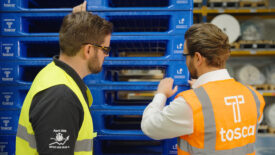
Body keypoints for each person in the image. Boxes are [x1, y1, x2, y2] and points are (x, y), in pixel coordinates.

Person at [141, 23, 265, 155]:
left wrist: (160, 95)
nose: (185, 61)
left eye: (185, 56)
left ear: (198, 58)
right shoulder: (254, 96)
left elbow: (150, 127)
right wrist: (202, 87)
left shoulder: (191, 105)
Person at [16, 11, 113, 154]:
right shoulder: (61, 97)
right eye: (105, 49)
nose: (107, 55)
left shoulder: (54, 74)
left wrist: (79, 23)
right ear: (88, 50)